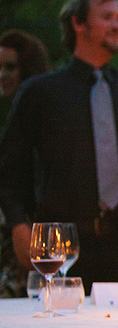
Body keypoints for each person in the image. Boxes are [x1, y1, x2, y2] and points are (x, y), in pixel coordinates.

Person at [0, 0, 118, 291]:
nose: (117, 25)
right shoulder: (40, 93)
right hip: (63, 248)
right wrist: (18, 224)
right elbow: (9, 169)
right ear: (79, 23)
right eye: (107, 17)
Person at [0, 30, 51, 297]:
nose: (2, 75)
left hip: (31, 233)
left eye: (10, 67)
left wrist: (22, 224)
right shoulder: (10, 113)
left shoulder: (45, 113)